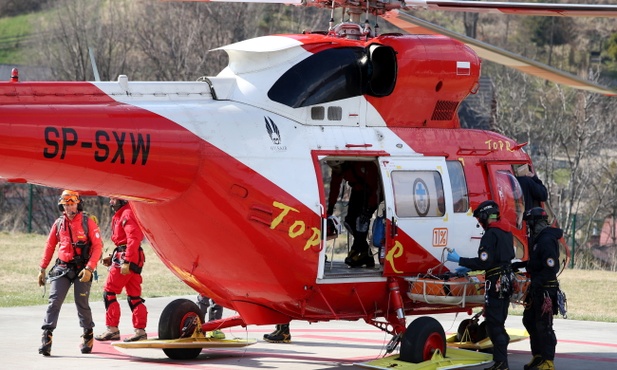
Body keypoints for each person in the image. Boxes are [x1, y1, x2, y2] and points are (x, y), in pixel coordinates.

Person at [447, 200, 515, 370]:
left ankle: (501, 364)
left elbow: (484, 262)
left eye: (480, 219)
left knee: (494, 325)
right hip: (506, 281)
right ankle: (501, 362)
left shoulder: (491, 234)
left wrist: (460, 260)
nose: (480, 223)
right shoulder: (506, 232)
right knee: (498, 322)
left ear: (485, 216)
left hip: (497, 283)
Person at [37, 190, 103, 356]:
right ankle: (47, 338)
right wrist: (42, 268)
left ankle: (88, 334)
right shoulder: (59, 223)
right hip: (63, 268)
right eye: (66, 204)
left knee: (82, 304)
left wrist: (89, 269)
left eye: (72, 203)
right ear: (62, 205)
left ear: (78, 204)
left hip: (83, 270)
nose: (69, 207)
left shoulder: (88, 222)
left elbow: (97, 247)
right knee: (54, 301)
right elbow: (50, 245)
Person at [513, 207, 562, 370]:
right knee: (529, 320)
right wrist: (517, 266)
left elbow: (551, 268)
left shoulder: (546, 239)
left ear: (535, 223)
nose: (527, 228)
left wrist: (536, 282)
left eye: (529, 224)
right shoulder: (538, 239)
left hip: (546, 289)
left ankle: (548, 361)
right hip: (537, 289)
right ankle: (538, 355)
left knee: (544, 326)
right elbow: (536, 264)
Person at [95, 197, 148, 342]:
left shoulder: (126, 214)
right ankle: (140, 331)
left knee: (109, 292)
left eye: (113, 199)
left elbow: (133, 239)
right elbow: (127, 241)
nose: (111, 202)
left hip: (127, 257)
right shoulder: (126, 212)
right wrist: (113, 256)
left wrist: (126, 261)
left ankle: (112, 329)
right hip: (130, 256)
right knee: (134, 296)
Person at [327, 161, 380, 268]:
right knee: (349, 221)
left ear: (343, 164)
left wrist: (369, 209)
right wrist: (330, 207)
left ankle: (358, 251)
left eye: (336, 168)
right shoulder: (339, 169)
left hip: (371, 192)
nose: (336, 171)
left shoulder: (364, 165)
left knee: (361, 222)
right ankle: (364, 253)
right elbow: (335, 186)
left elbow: (375, 187)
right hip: (357, 191)